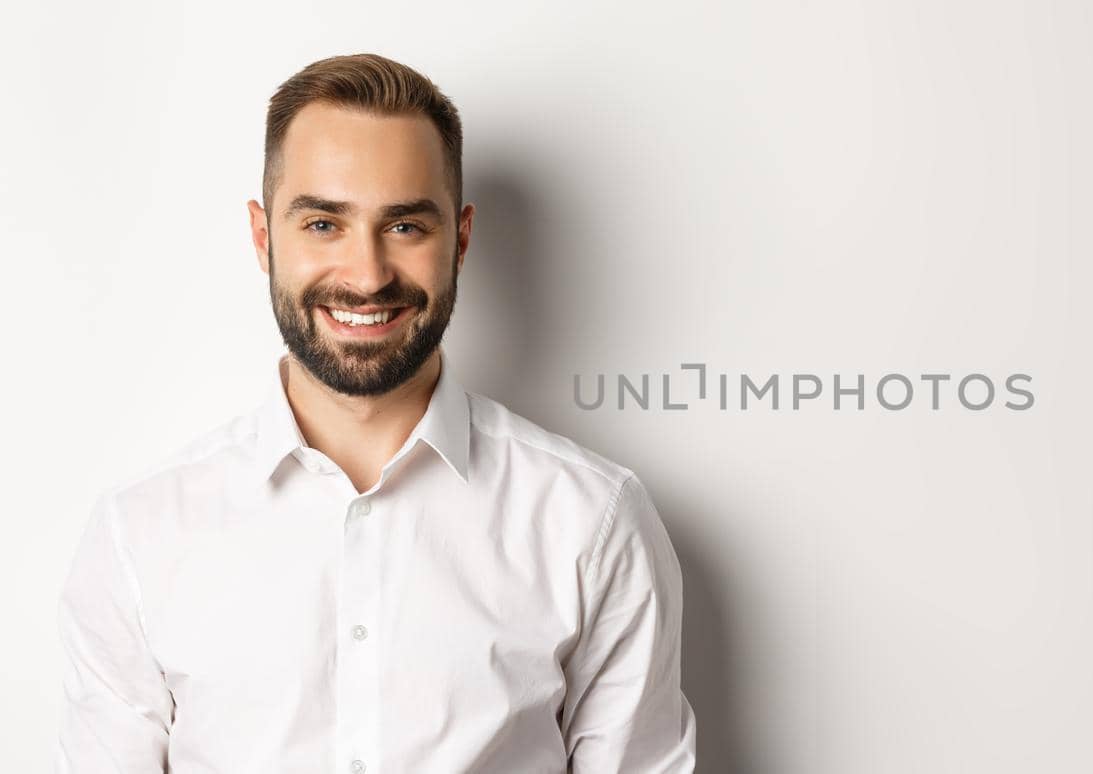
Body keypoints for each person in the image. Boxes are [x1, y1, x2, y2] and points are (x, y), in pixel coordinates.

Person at [55, 53, 697, 772]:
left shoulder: (591, 521)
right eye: (325, 224)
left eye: (405, 227)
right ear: (265, 238)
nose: (366, 276)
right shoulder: (138, 536)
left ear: (460, 237)